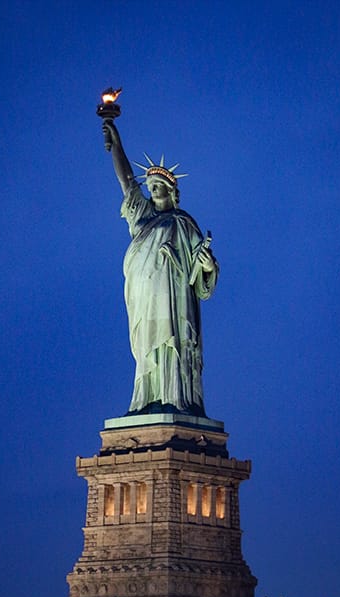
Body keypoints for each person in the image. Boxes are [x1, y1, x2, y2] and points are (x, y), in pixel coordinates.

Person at [102, 119, 219, 417]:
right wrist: (116, 143)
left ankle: (174, 398)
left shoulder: (184, 224)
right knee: (147, 346)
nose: (153, 190)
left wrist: (207, 266)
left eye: (159, 186)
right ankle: (146, 400)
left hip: (174, 296)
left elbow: (202, 279)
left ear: (171, 192)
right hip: (144, 294)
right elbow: (126, 180)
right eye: (151, 186)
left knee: (172, 342)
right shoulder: (141, 215)